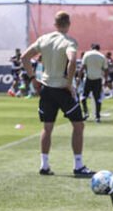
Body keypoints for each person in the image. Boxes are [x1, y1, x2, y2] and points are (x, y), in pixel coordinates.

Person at [20, 11, 93, 178]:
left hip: (46, 88)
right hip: (61, 89)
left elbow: (24, 58)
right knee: (78, 126)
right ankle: (78, 165)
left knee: (47, 128)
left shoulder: (44, 39)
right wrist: (69, 83)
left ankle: (44, 165)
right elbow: (73, 60)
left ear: (55, 24)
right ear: (68, 24)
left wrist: (33, 79)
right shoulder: (69, 41)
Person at [80, 43, 106, 122]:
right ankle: (97, 117)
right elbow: (105, 69)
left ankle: (86, 113)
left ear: (91, 48)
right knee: (98, 99)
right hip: (98, 79)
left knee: (83, 97)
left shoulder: (87, 54)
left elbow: (83, 67)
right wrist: (106, 79)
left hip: (88, 78)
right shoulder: (102, 56)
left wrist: (78, 77)